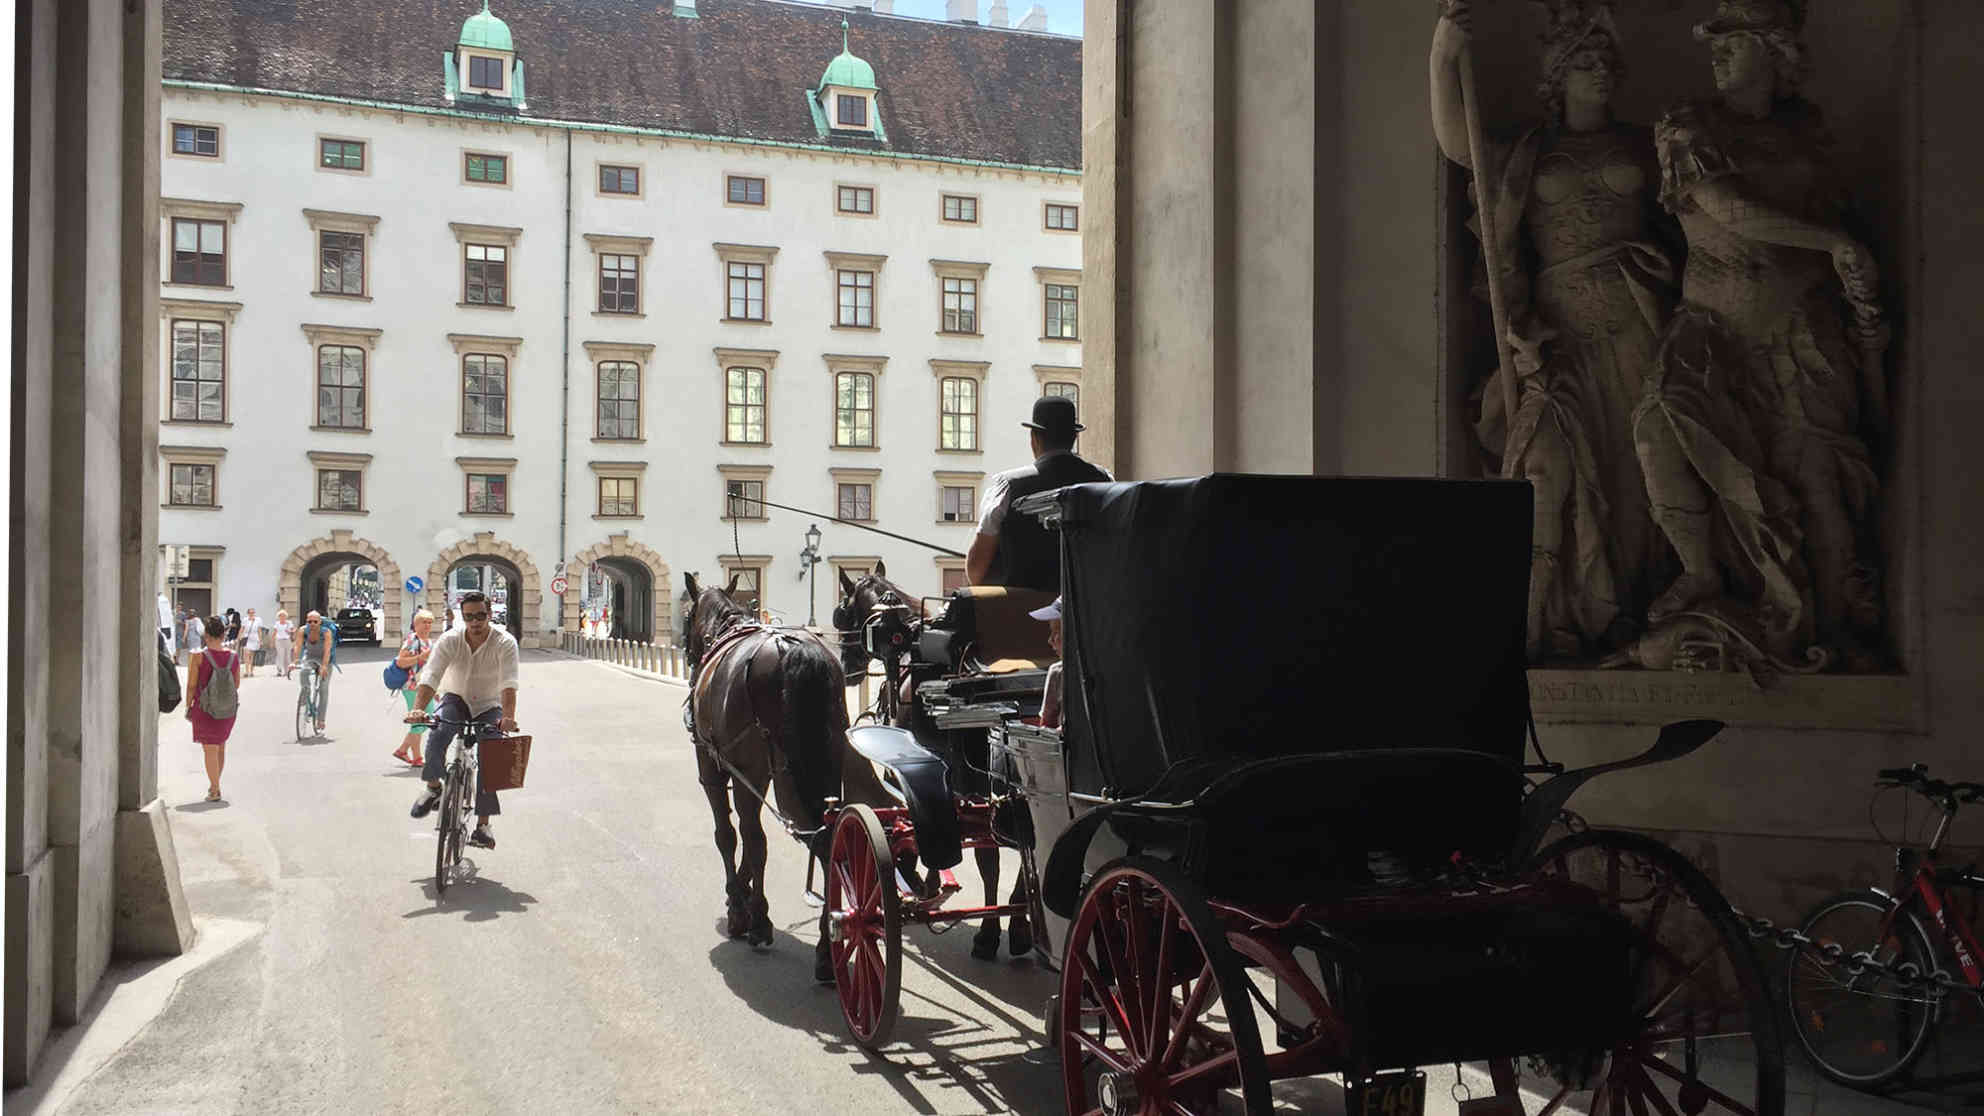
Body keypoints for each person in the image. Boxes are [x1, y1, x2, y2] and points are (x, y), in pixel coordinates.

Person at [1633, 0, 1886, 667]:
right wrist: (1833, 242)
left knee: (1818, 480)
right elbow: (1728, 210)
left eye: (1736, 41)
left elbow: (1842, 214)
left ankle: (1837, 628)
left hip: (1801, 332)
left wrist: (1858, 274)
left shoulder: (1808, 132)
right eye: (1715, 43)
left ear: (1776, 52)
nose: (1718, 53)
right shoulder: (1686, 125)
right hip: (1710, 331)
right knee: (1659, 434)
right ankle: (1700, 570)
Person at [1430, 0, 1677, 660]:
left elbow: (1694, 222)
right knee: (1545, 467)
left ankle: (1624, 611)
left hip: (1635, 327)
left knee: (1633, 475)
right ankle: (1542, 620)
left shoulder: (1648, 146)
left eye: (1607, 60)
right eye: (1586, 61)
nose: (1601, 71)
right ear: (1559, 74)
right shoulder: (1531, 152)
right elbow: (1459, 146)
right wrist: (1443, 55)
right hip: (1554, 337)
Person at [406, 591, 519, 851]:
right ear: (462, 617)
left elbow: (509, 683)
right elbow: (431, 676)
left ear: (489, 614)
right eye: (469, 617)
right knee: (438, 732)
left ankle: (483, 826)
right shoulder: (450, 640)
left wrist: (508, 718)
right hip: (455, 698)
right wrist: (417, 710)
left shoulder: (504, 642)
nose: (475, 622)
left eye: (480, 616)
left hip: (489, 705)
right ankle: (433, 787)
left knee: (491, 758)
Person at [966, 395, 1112, 592]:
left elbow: (976, 571)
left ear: (1034, 438)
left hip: (1022, 607)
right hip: (1084, 604)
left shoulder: (1008, 485)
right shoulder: (1105, 481)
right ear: (1074, 437)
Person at [185, 614, 239, 802]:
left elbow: (192, 685)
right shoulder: (233, 656)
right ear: (223, 635)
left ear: (206, 635)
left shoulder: (198, 656)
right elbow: (236, 684)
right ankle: (214, 784)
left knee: (210, 749)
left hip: (205, 708)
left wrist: (188, 705)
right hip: (228, 708)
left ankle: (215, 789)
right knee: (220, 747)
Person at [391, 609, 439, 767]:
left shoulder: (429, 642)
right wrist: (419, 657)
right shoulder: (413, 640)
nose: (427, 625)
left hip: (425, 687)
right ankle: (410, 754)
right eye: (424, 622)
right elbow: (400, 662)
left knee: (423, 720)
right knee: (421, 720)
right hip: (412, 686)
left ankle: (409, 753)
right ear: (416, 624)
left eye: (429, 622)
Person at [293, 609, 336, 734]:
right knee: (303, 672)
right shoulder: (303, 630)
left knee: (323, 688)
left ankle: (321, 719)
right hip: (310, 658)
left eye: (315, 622)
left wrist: (324, 666)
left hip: (325, 660)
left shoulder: (326, 632)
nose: (312, 624)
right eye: (309, 621)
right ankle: (305, 695)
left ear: (320, 622)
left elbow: (327, 650)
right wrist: (294, 661)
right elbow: (298, 646)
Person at [273, 609, 295, 679]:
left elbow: (293, 631)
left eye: (284, 616)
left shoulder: (289, 623)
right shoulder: (277, 623)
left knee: (287, 656)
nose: (282, 617)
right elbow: (275, 632)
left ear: (286, 616)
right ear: (279, 617)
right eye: (281, 616)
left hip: (287, 640)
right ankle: (279, 670)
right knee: (280, 655)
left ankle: (287, 671)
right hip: (279, 640)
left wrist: (289, 631)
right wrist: (272, 641)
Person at [241, 607, 263, 678]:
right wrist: (239, 637)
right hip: (246, 638)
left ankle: (251, 671)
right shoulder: (245, 620)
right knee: (246, 654)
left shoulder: (258, 620)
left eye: (253, 612)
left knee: (252, 656)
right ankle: (247, 671)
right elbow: (242, 629)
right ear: (248, 613)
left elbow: (259, 630)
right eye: (250, 613)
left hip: (255, 638)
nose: (251, 614)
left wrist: (260, 640)